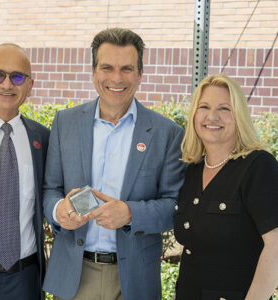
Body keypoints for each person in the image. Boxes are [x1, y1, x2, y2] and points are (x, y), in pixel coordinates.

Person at [42, 27, 186, 300]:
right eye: (107, 67)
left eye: (127, 69)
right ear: (94, 72)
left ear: (140, 74)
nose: (116, 78)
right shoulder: (65, 123)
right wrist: (59, 210)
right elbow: (50, 189)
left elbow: (174, 207)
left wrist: (130, 214)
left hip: (133, 280)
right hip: (74, 275)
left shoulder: (167, 133)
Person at [174, 73, 278, 300]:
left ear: (238, 115)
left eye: (224, 108)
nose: (212, 116)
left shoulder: (258, 166)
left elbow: (276, 246)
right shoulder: (192, 171)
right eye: (204, 106)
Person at [0, 43, 50, 300]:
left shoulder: (43, 139)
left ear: (30, 85)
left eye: (17, 77)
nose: (7, 84)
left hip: (25, 280)